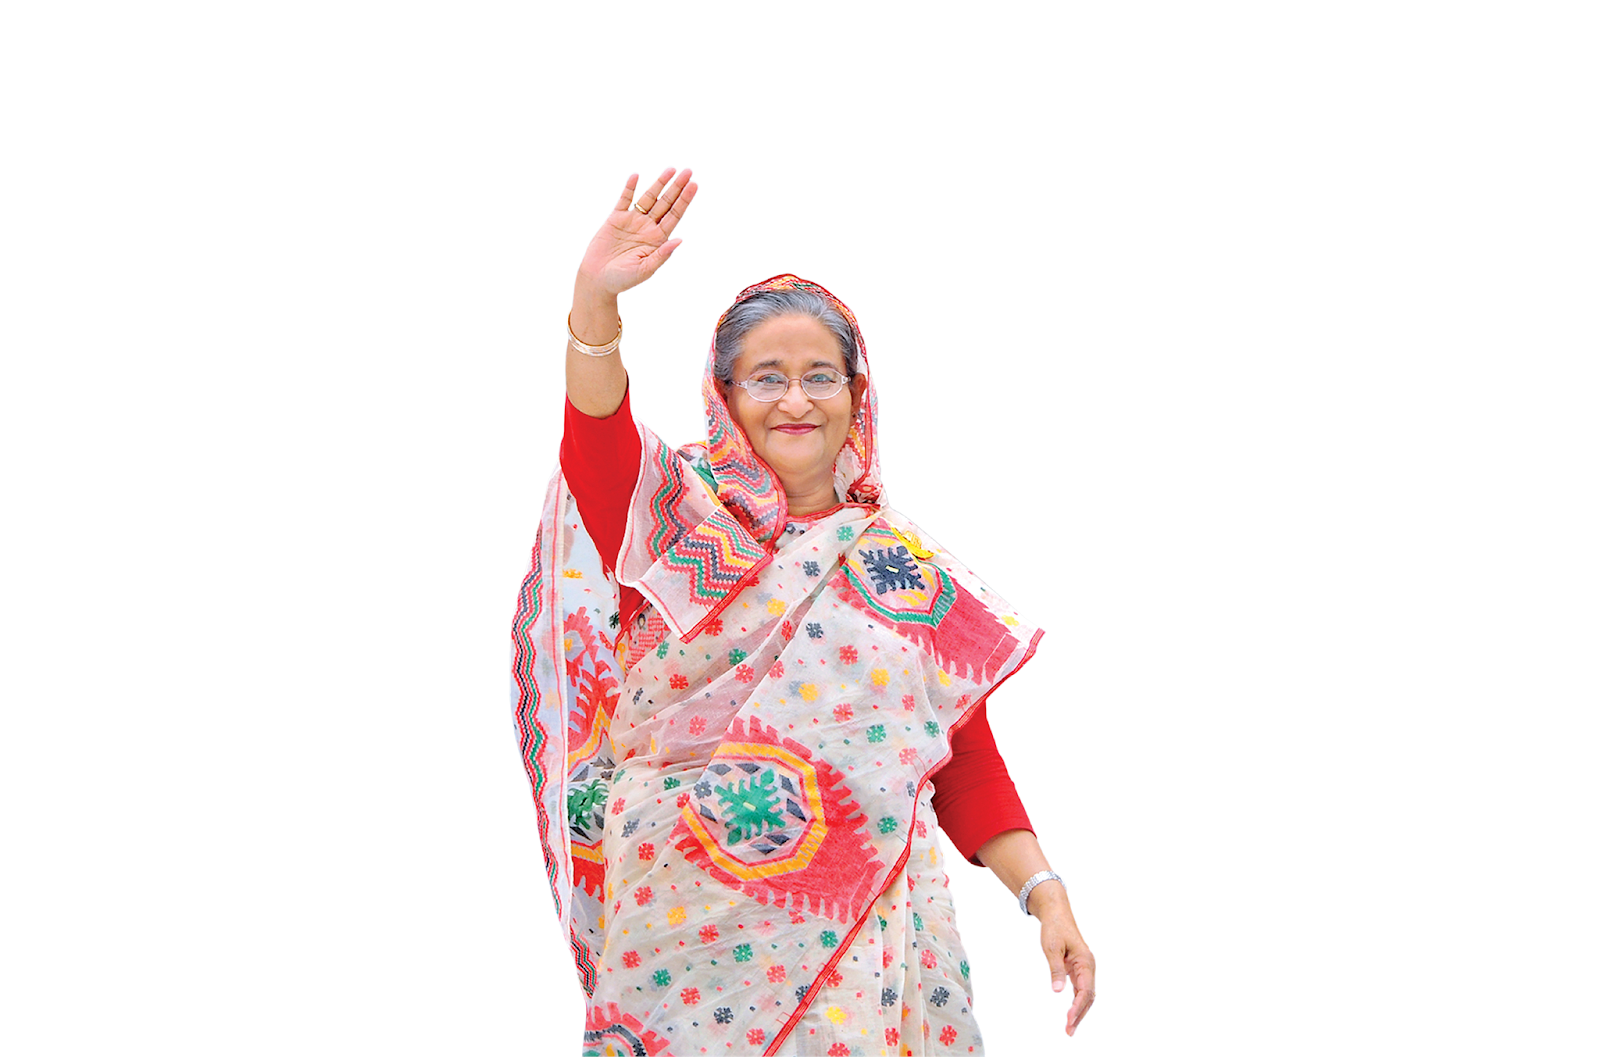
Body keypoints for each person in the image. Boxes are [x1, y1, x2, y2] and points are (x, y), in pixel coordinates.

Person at [511, 168, 1095, 1055]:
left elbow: (961, 756)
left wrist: (1044, 892)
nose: (795, 399)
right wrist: (595, 305)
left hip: (860, 933)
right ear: (726, 397)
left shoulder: (900, 573)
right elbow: (597, 442)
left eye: (820, 376)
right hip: (686, 926)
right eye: (767, 377)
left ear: (856, 395)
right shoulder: (674, 523)